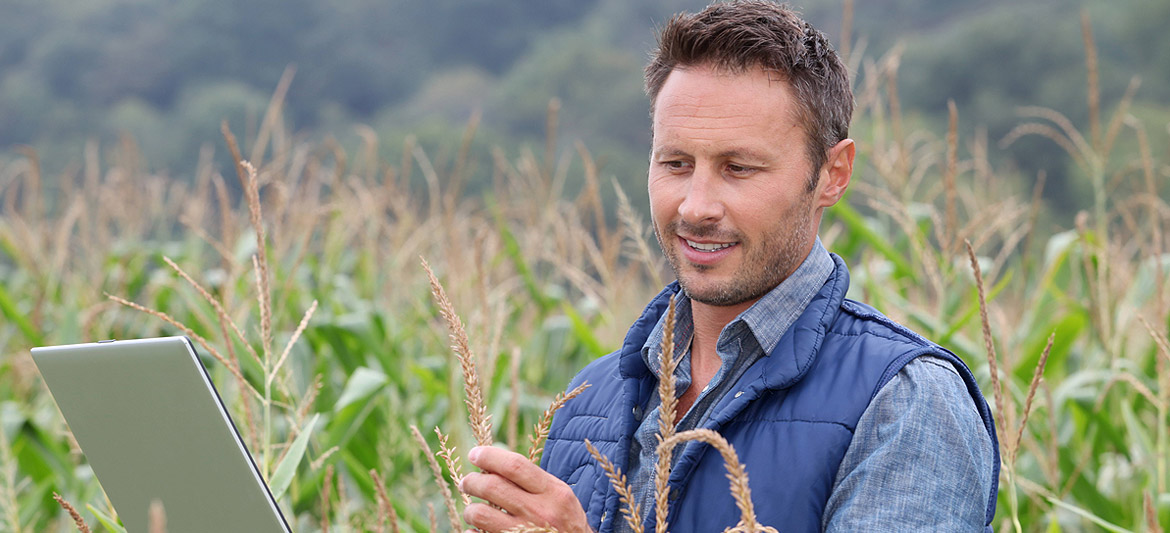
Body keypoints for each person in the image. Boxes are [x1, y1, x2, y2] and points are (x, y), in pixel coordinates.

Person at [458, 1, 999, 531]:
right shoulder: (588, 400)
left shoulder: (906, 401)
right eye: (676, 163)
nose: (696, 207)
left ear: (832, 174)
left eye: (738, 168)